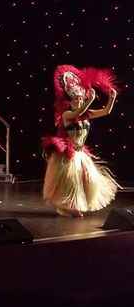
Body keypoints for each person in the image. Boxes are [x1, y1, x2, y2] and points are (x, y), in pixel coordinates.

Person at [42, 65, 119, 217]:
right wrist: (89, 100)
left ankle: (74, 205)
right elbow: (79, 111)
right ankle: (68, 206)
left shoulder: (86, 114)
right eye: (75, 99)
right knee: (70, 182)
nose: (78, 100)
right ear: (69, 102)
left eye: (80, 98)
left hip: (79, 151)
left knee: (87, 179)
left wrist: (112, 98)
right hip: (66, 153)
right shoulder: (66, 114)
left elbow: (106, 111)